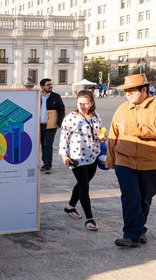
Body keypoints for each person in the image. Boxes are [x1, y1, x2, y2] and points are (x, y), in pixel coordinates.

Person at [106, 74, 156, 247]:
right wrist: (111, 160)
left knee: (144, 199)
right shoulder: (121, 109)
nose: (127, 94)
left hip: (152, 162)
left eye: (131, 91)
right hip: (125, 161)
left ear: (144, 89)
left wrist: (131, 128)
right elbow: (113, 135)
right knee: (130, 197)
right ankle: (131, 235)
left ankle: (139, 229)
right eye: (126, 91)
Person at [59, 90, 105, 231]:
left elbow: (100, 132)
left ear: (91, 103)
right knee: (84, 187)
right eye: (80, 103)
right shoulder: (71, 118)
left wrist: (101, 136)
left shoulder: (96, 116)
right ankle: (89, 219)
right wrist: (64, 156)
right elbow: (64, 137)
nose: (83, 106)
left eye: (86, 103)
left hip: (93, 155)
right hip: (76, 157)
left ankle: (70, 206)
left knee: (82, 183)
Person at [39, 78, 65, 174]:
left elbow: (61, 110)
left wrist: (59, 123)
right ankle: (44, 163)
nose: (50, 86)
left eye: (51, 84)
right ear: (42, 87)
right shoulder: (37, 96)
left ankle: (48, 165)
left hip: (51, 125)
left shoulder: (56, 97)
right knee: (43, 145)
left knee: (47, 144)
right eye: (48, 85)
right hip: (39, 125)